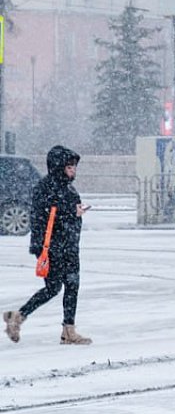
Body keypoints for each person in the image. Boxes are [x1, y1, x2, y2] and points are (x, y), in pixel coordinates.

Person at [4, 145, 92, 345]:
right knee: (53, 287)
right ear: (59, 167)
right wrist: (72, 212)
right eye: (69, 167)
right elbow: (44, 217)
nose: (73, 171)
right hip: (53, 246)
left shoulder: (67, 187)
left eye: (74, 168)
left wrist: (75, 213)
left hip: (68, 245)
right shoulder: (46, 187)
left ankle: (68, 329)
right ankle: (17, 317)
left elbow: (64, 213)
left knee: (72, 285)